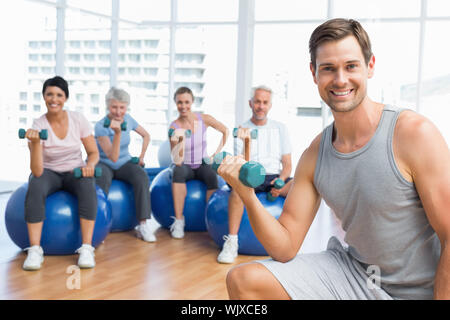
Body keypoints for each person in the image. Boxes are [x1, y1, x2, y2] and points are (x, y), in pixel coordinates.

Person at [217, 18, 450, 300]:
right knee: (244, 280)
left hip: (422, 291)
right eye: (328, 68)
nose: (340, 79)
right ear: (314, 73)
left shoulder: (414, 134)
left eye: (351, 66)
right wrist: (247, 195)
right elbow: (285, 246)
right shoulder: (316, 154)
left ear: (370, 66)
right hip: (358, 276)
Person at [22, 76, 100, 271]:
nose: (54, 99)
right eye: (49, 94)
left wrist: (89, 166)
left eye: (59, 95)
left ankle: (87, 248)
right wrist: (34, 143)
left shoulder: (77, 119)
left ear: (65, 98)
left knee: (88, 185)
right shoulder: (38, 125)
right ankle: (34, 250)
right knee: (35, 184)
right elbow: (37, 170)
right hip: (48, 171)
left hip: (75, 170)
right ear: (44, 97)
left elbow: (93, 152)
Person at [217, 85, 293, 264]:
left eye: (265, 102)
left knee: (300, 187)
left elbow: (288, 164)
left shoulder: (280, 128)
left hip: (273, 176)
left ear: (270, 105)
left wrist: (280, 181)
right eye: (257, 102)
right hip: (249, 174)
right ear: (251, 104)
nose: (261, 106)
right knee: (237, 190)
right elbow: (241, 163)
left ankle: (290, 239)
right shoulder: (242, 129)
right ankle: (232, 243)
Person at [95, 87, 155, 242]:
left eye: (122, 107)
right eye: (114, 107)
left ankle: (143, 225)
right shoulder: (101, 126)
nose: (118, 111)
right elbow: (112, 157)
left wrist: (141, 156)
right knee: (101, 180)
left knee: (141, 176)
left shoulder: (128, 120)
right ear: (108, 106)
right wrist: (117, 133)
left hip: (125, 161)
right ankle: (99, 226)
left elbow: (146, 135)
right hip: (105, 162)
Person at [168, 86, 228, 239]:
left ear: (192, 102)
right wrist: (179, 140)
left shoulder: (203, 119)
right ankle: (179, 221)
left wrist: (216, 153)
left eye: (187, 102)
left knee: (211, 175)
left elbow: (225, 131)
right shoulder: (174, 127)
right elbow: (177, 160)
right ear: (175, 103)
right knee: (178, 171)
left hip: (202, 162)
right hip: (184, 165)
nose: (183, 106)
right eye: (180, 103)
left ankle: (210, 219)